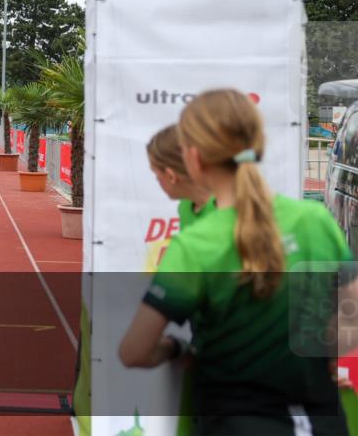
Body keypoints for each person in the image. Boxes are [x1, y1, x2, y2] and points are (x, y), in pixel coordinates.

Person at [119, 89, 352, 435]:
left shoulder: (195, 246)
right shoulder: (315, 220)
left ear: (194, 158)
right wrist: (325, 358)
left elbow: (134, 351)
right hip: (323, 421)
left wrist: (177, 347)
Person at [146, 124, 215, 231]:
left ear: (171, 176)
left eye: (156, 174)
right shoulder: (185, 206)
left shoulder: (226, 209)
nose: (157, 180)